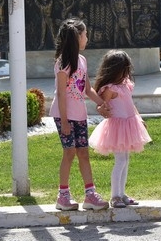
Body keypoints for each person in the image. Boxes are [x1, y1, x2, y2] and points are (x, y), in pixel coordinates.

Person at [48, 18, 111, 211]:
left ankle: (90, 195)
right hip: (64, 115)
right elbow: (60, 94)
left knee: (83, 153)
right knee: (69, 152)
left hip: (80, 115)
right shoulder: (63, 64)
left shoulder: (82, 61)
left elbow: (87, 90)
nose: (87, 38)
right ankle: (63, 196)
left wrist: (103, 105)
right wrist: (65, 121)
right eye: (84, 34)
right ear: (76, 38)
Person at [88, 50, 152, 208]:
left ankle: (122, 194)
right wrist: (103, 110)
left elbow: (131, 105)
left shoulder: (125, 85)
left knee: (126, 160)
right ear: (116, 70)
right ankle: (115, 196)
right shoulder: (110, 88)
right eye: (124, 69)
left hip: (129, 125)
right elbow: (101, 105)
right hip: (118, 128)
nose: (127, 73)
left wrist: (140, 118)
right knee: (120, 161)